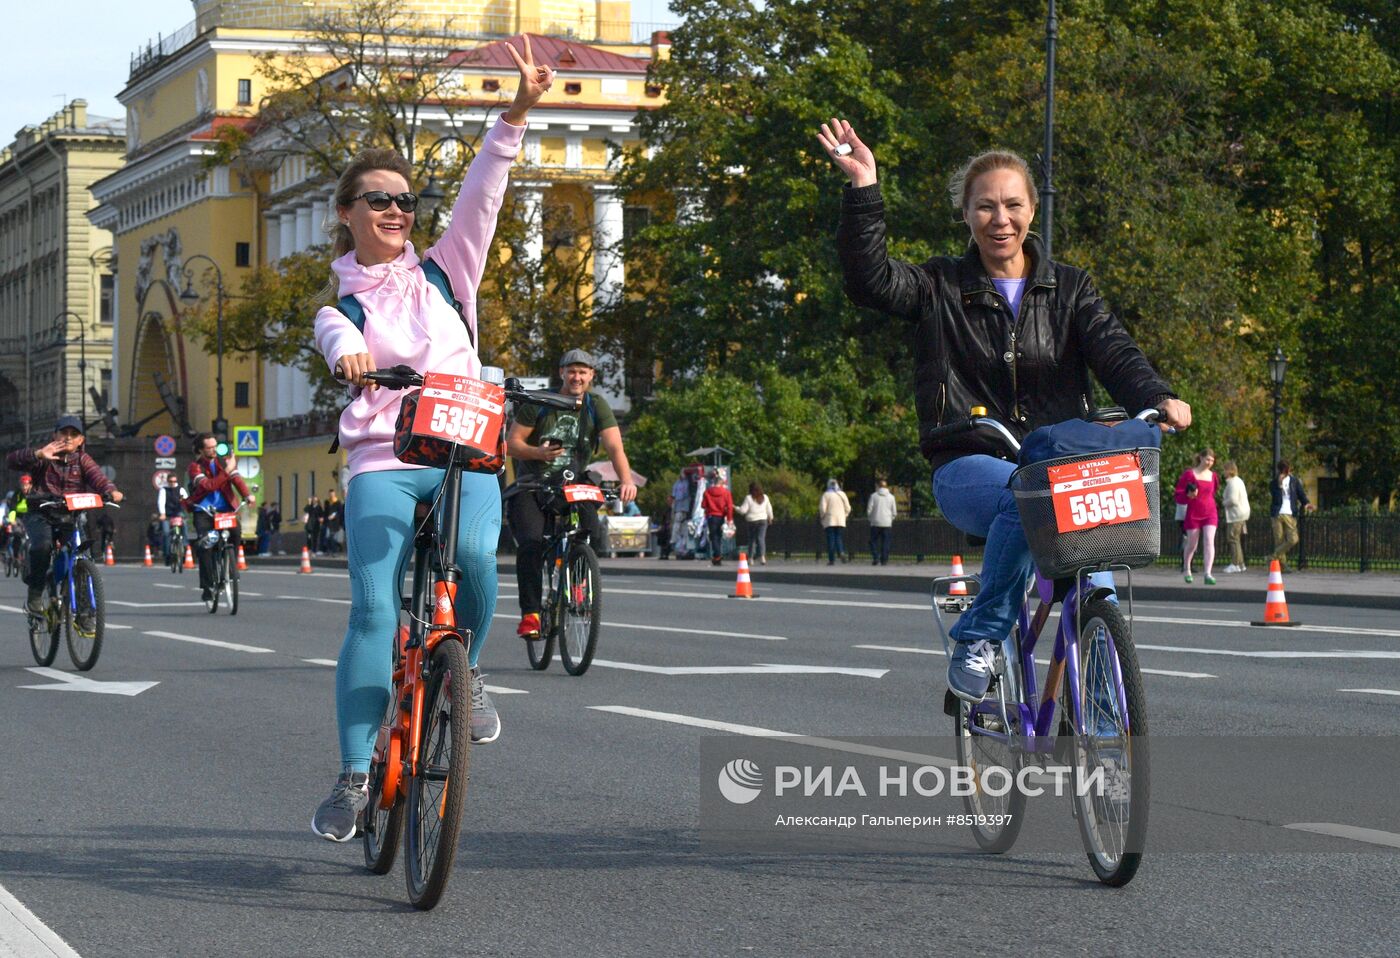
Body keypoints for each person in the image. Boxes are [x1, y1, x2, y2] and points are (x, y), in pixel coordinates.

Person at [823, 120, 1191, 702]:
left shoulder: (1070, 288)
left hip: (1060, 459)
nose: (1001, 219)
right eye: (986, 207)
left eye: (1013, 205)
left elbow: (1115, 350)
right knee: (1025, 496)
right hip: (970, 458)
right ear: (966, 215)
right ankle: (982, 637)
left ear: (1033, 211)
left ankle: (1103, 698)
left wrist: (1157, 397)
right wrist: (864, 188)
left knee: (1096, 566)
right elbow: (870, 281)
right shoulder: (937, 286)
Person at [309, 35, 553, 841]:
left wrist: (514, 113)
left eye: (405, 200)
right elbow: (336, 344)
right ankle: (352, 775)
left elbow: (487, 190)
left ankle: (467, 674)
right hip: (384, 456)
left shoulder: (448, 272)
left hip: (464, 448)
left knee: (479, 561)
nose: (394, 210)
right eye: (377, 198)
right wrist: (352, 360)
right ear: (347, 213)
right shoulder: (340, 307)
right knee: (375, 608)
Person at [507, 348, 637, 638]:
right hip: (533, 484)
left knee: (590, 529)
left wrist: (627, 480)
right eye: (572, 371)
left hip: (572, 483)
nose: (577, 377)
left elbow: (615, 447)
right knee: (530, 543)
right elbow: (512, 443)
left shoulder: (595, 405)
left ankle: (578, 579)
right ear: (561, 373)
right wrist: (537, 452)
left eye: (583, 372)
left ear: (591, 376)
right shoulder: (538, 401)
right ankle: (531, 614)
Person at [6, 414, 125, 613]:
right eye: (64, 433)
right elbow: (12, 460)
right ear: (55, 435)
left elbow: (98, 478)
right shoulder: (44, 455)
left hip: (71, 515)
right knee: (42, 547)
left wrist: (112, 492)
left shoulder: (83, 459)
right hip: (40, 513)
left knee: (83, 557)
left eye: (74, 434)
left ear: (81, 440)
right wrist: (37, 455)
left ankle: (86, 612)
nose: (68, 438)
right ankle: (35, 591)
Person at [186, 433, 253, 603]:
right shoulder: (195, 468)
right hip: (204, 511)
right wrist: (228, 471)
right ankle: (208, 586)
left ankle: (232, 565)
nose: (214, 450)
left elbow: (236, 479)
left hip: (225, 510)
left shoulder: (223, 461)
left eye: (215, 446)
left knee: (236, 532)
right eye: (209, 448)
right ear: (201, 450)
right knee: (206, 546)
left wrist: (247, 495)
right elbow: (209, 486)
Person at [1175, 448, 1219, 584]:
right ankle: (1187, 568)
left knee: (1209, 541)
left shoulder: (1213, 476)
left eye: (1212, 460)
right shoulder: (1190, 474)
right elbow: (1178, 493)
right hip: (1193, 512)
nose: (1209, 462)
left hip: (1210, 512)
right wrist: (1188, 495)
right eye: (1207, 459)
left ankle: (1208, 573)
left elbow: (1215, 491)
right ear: (1200, 457)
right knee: (1192, 544)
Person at [1270, 459, 1313, 570]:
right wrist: (1279, 484)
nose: (1287, 471)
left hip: (1290, 513)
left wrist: (1307, 503)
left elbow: (1301, 494)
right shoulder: (1274, 482)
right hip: (1277, 513)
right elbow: (1274, 496)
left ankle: (1273, 556)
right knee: (1279, 540)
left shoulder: (1294, 481)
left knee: (1293, 538)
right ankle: (1282, 566)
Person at [1221, 460, 1250, 573]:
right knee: (1236, 539)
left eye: (1224, 469)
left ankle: (1235, 564)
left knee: (1232, 538)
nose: (1223, 472)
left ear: (1229, 470)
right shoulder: (1238, 481)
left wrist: (1223, 503)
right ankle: (1241, 564)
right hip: (1242, 513)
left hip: (1236, 514)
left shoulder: (1233, 482)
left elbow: (1233, 500)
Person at [700, 470, 734, 565]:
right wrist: (730, 519)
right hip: (721, 516)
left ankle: (717, 555)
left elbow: (703, 505)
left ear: (714, 483)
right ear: (721, 483)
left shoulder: (707, 492)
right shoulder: (726, 493)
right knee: (719, 535)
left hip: (711, 516)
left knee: (714, 536)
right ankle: (717, 555)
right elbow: (730, 507)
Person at [737, 481, 774, 564]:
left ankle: (750, 558)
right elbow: (769, 508)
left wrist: (736, 508)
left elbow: (743, 511)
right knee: (761, 539)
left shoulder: (749, 498)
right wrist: (770, 517)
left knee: (751, 540)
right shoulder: (765, 497)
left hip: (752, 521)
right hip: (763, 520)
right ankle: (762, 557)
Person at [819, 479, 851, 565]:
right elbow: (848, 508)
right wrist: (845, 516)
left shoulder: (826, 495)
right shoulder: (842, 494)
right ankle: (841, 552)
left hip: (830, 520)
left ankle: (831, 559)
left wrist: (822, 517)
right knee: (838, 537)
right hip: (840, 520)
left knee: (831, 540)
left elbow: (822, 509)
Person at [663, 468, 694, 560]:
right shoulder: (677, 483)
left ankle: (681, 547)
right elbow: (674, 495)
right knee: (677, 525)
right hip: (678, 507)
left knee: (683, 527)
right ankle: (677, 545)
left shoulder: (688, 483)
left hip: (685, 507)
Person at [157, 473, 187, 564]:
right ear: (168, 481)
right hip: (168, 514)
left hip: (178, 513)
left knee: (184, 528)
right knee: (166, 533)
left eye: (174, 481)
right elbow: (161, 502)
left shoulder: (181, 489)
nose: (173, 483)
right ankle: (167, 555)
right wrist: (162, 514)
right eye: (171, 481)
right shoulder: (164, 490)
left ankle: (184, 548)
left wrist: (184, 503)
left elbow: (186, 499)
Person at [867, 478, 897, 565]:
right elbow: (894, 511)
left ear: (878, 486)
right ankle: (884, 560)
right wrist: (891, 519)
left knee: (873, 541)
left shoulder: (873, 496)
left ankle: (875, 557)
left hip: (875, 522)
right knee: (886, 542)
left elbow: (869, 509)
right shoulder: (891, 497)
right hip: (887, 523)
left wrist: (871, 519)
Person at [322, 489, 344, 555]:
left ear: (334, 494)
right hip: (328, 522)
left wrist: (335, 516)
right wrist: (324, 519)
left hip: (335, 523)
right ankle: (330, 550)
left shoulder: (338, 502)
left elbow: (340, 512)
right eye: (330, 494)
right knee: (328, 536)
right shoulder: (327, 502)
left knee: (334, 538)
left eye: (332, 494)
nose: (331, 495)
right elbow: (325, 512)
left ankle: (335, 551)